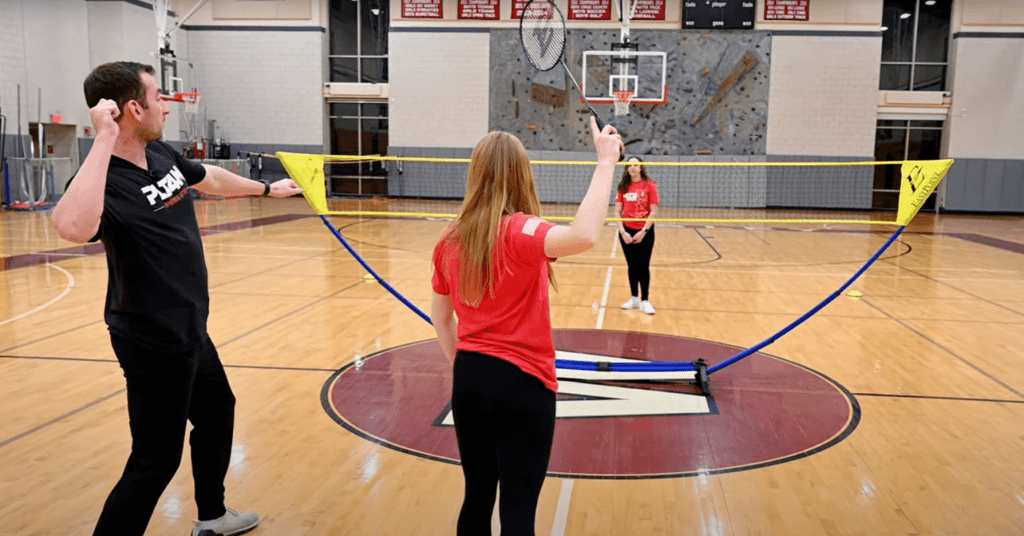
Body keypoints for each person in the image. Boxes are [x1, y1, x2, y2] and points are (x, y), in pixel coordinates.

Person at [51, 61, 303, 536]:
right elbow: (71, 227)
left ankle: (213, 516)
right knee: (154, 461)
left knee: (217, 411)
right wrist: (103, 138)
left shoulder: (160, 153)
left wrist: (267, 189)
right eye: (157, 97)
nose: (165, 105)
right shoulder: (104, 178)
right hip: (151, 339)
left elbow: (205, 176)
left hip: (188, 327)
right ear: (131, 108)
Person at [430, 117, 623, 536]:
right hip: (522, 384)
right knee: (518, 509)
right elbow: (585, 236)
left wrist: (468, 368)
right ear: (522, 174)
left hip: (469, 378)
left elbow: (442, 320)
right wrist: (606, 162)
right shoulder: (522, 230)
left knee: (477, 496)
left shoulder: (448, 240)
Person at [615, 157, 659, 315]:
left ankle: (645, 300)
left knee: (643, 265)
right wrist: (623, 232)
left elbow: (653, 211)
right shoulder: (623, 186)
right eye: (629, 165)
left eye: (635, 164)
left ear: (641, 167)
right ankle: (634, 297)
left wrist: (644, 231)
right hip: (627, 231)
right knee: (632, 266)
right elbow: (617, 211)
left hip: (645, 232)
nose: (632, 167)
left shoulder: (650, 185)